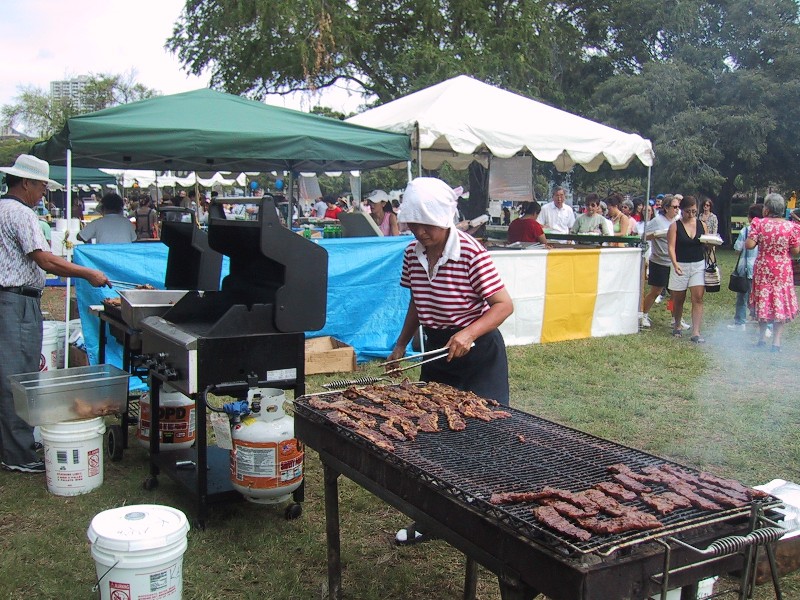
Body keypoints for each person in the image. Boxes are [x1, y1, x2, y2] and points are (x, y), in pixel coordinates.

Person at [387, 177, 513, 545]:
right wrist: (400, 345)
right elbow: (416, 302)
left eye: (428, 224)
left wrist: (469, 334)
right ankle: (433, 519)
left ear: (445, 219)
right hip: (438, 348)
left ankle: (489, 517)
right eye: (414, 223)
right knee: (434, 432)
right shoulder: (412, 254)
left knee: (485, 432)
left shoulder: (472, 252)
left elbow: (504, 305)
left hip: (478, 349)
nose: (421, 232)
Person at [0, 155, 109, 473]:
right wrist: (88, 273)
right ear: (26, 183)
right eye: (41, 187)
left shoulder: (5, 208)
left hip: (14, 299)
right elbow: (45, 260)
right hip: (15, 301)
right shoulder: (19, 213)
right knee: (17, 377)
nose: (43, 194)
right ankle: (16, 455)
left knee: (16, 374)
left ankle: (14, 444)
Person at [746, 193, 800, 351]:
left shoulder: (760, 224)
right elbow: (796, 250)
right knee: (780, 303)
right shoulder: (791, 227)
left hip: (764, 268)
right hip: (782, 270)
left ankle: (762, 338)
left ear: (767, 209)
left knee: (763, 301)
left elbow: (749, 245)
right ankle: (776, 342)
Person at [667, 195, 707, 343]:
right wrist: (675, 263)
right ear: (682, 211)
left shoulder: (702, 224)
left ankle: (696, 331)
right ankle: (677, 324)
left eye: (694, 211)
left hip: (698, 264)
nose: (691, 214)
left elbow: (707, 243)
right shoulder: (675, 226)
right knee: (678, 298)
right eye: (688, 211)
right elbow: (671, 247)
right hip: (681, 264)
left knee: (698, 297)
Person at [640, 195, 681, 328]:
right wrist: (656, 234)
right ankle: (643, 314)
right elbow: (644, 236)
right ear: (666, 207)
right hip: (658, 261)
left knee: (674, 293)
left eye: (678, 207)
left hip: (673, 261)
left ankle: (674, 317)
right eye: (674, 207)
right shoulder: (658, 221)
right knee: (656, 291)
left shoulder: (677, 221)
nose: (677, 209)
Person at [728, 204, 764, 331]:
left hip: (746, 269)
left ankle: (740, 323)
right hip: (761, 270)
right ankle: (766, 325)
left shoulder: (746, 230)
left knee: (742, 297)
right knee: (761, 298)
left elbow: (737, 249)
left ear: (750, 218)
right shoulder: (766, 230)